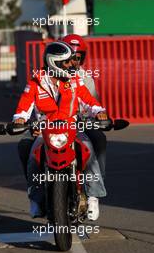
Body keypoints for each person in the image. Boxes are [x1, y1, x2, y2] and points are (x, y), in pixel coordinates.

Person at [14, 41, 108, 220]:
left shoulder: (74, 81)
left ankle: (93, 197)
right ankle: (35, 199)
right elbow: (24, 105)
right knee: (34, 159)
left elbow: (88, 100)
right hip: (44, 130)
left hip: (71, 127)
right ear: (54, 62)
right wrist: (19, 119)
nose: (71, 65)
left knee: (89, 151)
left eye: (72, 61)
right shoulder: (36, 82)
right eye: (66, 62)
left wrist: (100, 112)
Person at [61, 34, 107, 180]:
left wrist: (99, 115)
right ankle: (35, 189)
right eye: (69, 57)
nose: (74, 61)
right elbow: (35, 101)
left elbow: (94, 103)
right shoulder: (46, 75)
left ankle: (97, 184)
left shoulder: (86, 77)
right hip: (53, 125)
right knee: (25, 145)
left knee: (99, 138)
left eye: (78, 57)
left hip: (81, 123)